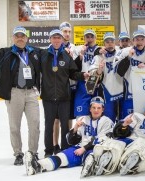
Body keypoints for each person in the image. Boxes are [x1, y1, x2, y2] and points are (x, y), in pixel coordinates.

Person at [25, 96, 114, 176]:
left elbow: (102, 141)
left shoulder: (107, 122)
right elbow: (70, 141)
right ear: (90, 108)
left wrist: (84, 149)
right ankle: (37, 165)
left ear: (103, 109)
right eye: (93, 107)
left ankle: (91, 165)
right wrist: (75, 128)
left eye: (99, 108)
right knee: (61, 157)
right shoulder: (84, 119)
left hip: (93, 149)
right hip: (79, 149)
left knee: (94, 154)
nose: (96, 110)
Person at [0, 26, 40, 165]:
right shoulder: (5, 52)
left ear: (26, 38)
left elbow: (51, 53)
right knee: (14, 126)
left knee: (35, 124)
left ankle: (32, 152)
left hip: (31, 93)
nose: (20, 38)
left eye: (22, 36)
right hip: (14, 93)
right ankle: (18, 153)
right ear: (13, 38)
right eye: (17, 36)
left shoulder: (34, 52)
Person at [81, 102, 145, 177]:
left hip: (144, 147)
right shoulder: (138, 117)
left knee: (142, 147)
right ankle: (96, 161)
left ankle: (131, 162)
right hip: (129, 141)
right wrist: (125, 125)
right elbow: (120, 132)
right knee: (116, 146)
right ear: (144, 113)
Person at [40, 29, 88, 157]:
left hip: (64, 97)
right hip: (48, 96)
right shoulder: (43, 54)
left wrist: (83, 75)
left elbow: (73, 73)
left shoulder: (67, 56)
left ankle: (65, 149)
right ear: (50, 39)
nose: (56, 40)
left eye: (58, 38)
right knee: (49, 125)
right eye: (54, 38)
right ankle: (48, 151)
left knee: (65, 126)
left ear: (62, 40)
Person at [115, 30, 145, 119]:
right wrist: (129, 57)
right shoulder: (125, 52)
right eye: (137, 39)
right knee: (126, 120)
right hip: (127, 93)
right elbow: (119, 72)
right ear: (133, 41)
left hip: (143, 93)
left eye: (142, 39)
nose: (140, 42)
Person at [52, 22, 78, 155]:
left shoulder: (75, 48)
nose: (67, 34)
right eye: (64, 31)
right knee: (56, 119)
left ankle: (66, 143)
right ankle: (55, 145)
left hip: (71, 88)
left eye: (69, 31)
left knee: (68, 118)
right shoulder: (53, 49)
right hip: (58, 89)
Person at [88, 32, 123, 122]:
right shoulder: (98, 57)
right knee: (108, 120)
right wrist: (99, 70)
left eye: (112, 41)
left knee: (122, 121)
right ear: (104, 44)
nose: (110, 43)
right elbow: (92, 75)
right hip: (106, 93)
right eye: (107, 42)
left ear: (115, 42)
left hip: (122, 92)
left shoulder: (121, 53)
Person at [74, 29, 101, 118]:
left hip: (95, 82)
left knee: (95, 113)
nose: (89, 39)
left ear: (95, 38)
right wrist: (81, 55)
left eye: (91, 37)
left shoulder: (100, 50)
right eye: (87, 37)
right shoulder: (79, 49)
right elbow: (74, 68)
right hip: (83, 82)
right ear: (84, 38)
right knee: (81, 113)